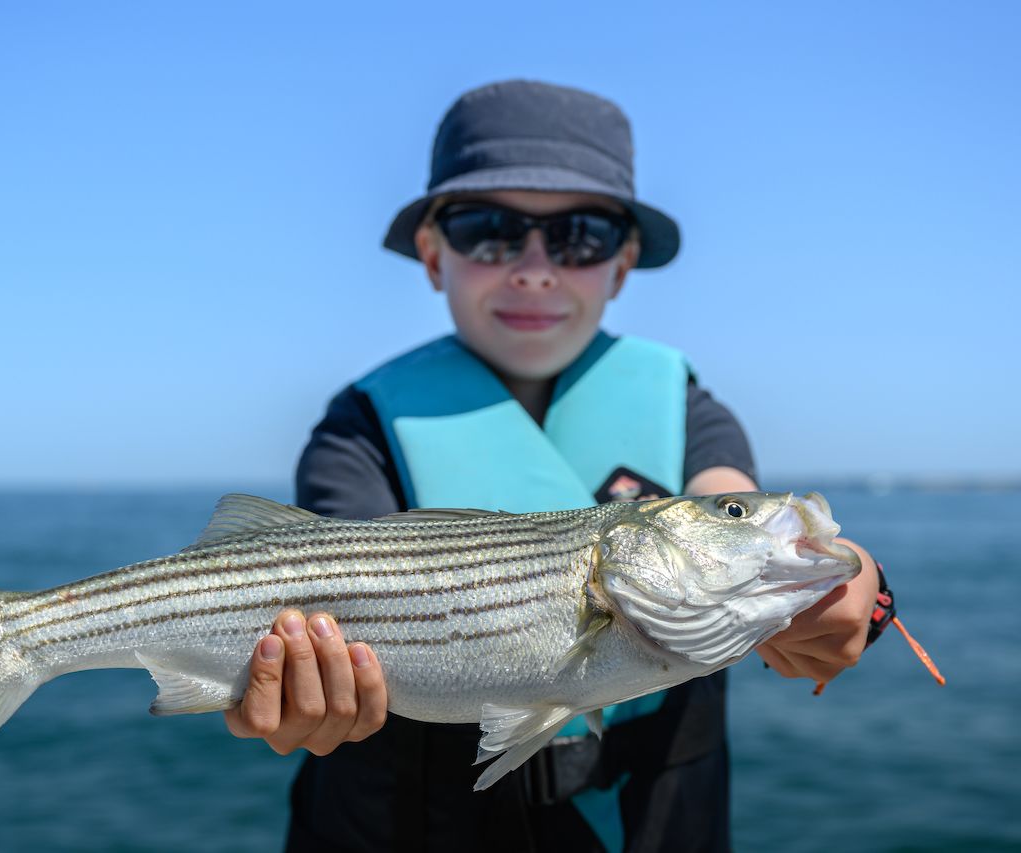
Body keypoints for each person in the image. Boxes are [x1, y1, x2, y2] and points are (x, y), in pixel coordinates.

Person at [223, 80, 880, 852]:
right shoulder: (360, 427)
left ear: (624, 263)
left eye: (580, 237)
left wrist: (857, 588)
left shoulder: (689, 408)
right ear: (434, 255)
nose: (535, 269)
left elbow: (733, 503)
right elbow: (326, 574)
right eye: (489, 230)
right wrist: (292, 687)